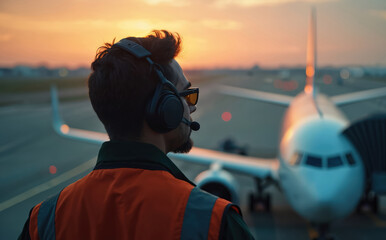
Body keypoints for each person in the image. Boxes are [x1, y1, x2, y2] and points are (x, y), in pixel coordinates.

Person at [18, 30, 254, 240]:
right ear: (165, 107)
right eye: (187, 95)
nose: (192, 108)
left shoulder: (43, 221)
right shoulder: (213, 221)